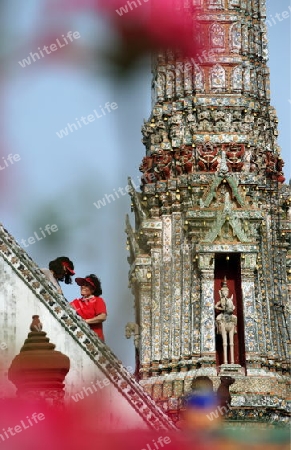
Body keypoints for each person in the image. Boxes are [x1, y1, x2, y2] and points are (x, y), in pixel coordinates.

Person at [70, 274, 107, 341]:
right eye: (82, 284)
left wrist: (86, 321)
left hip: (95, 339)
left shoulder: (98, 300)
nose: (83, 286)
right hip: (79, 337)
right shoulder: (76, 302)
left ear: (93, 290)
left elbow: (102, 316)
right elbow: (66, 309)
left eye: (86, 285)